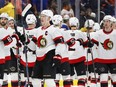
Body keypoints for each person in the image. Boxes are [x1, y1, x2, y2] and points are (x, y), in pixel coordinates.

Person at [29, 10, 66, 87]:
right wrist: (25, 41)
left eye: (44, 17)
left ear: (49, 18)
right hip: (39, 57)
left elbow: (60, 43)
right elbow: (32, 47)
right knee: (35, 81)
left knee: (49, 81)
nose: (42, 18)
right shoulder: (38, 30)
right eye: (41, 16)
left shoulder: (54, 30)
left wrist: (58, 55)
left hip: (49, 56)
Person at [91, 15, 116, 87]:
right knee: (103, 78)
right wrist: (89, 44)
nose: (106, 23)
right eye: (105, 21)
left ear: (111, 23)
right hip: (102, 60)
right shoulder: (98, 33)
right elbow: (91, 43)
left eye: (108, 21)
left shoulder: (115, 33)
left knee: (115, 78)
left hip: (114, 60)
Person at [0, 12, 20, 86]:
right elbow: (10, 43)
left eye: (5, 19)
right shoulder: (2, 31)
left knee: (4, 75)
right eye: (1, 19)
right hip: (2, 55)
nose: (3, 20)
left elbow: (13, 44)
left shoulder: (10, 31)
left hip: (6, 55)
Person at [66, 17, 87, 87]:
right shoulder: (81, 33)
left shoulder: (65, 33)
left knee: (69, 79)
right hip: (79, 57)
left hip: (68, 58)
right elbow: (86, 45)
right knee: (81, 78)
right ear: (77, 24)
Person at [19, 14, 37, 87]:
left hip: (25, 58)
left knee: (28, 79)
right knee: (36, 80)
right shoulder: (37, 31)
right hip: (35, 58)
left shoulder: (22, 31)